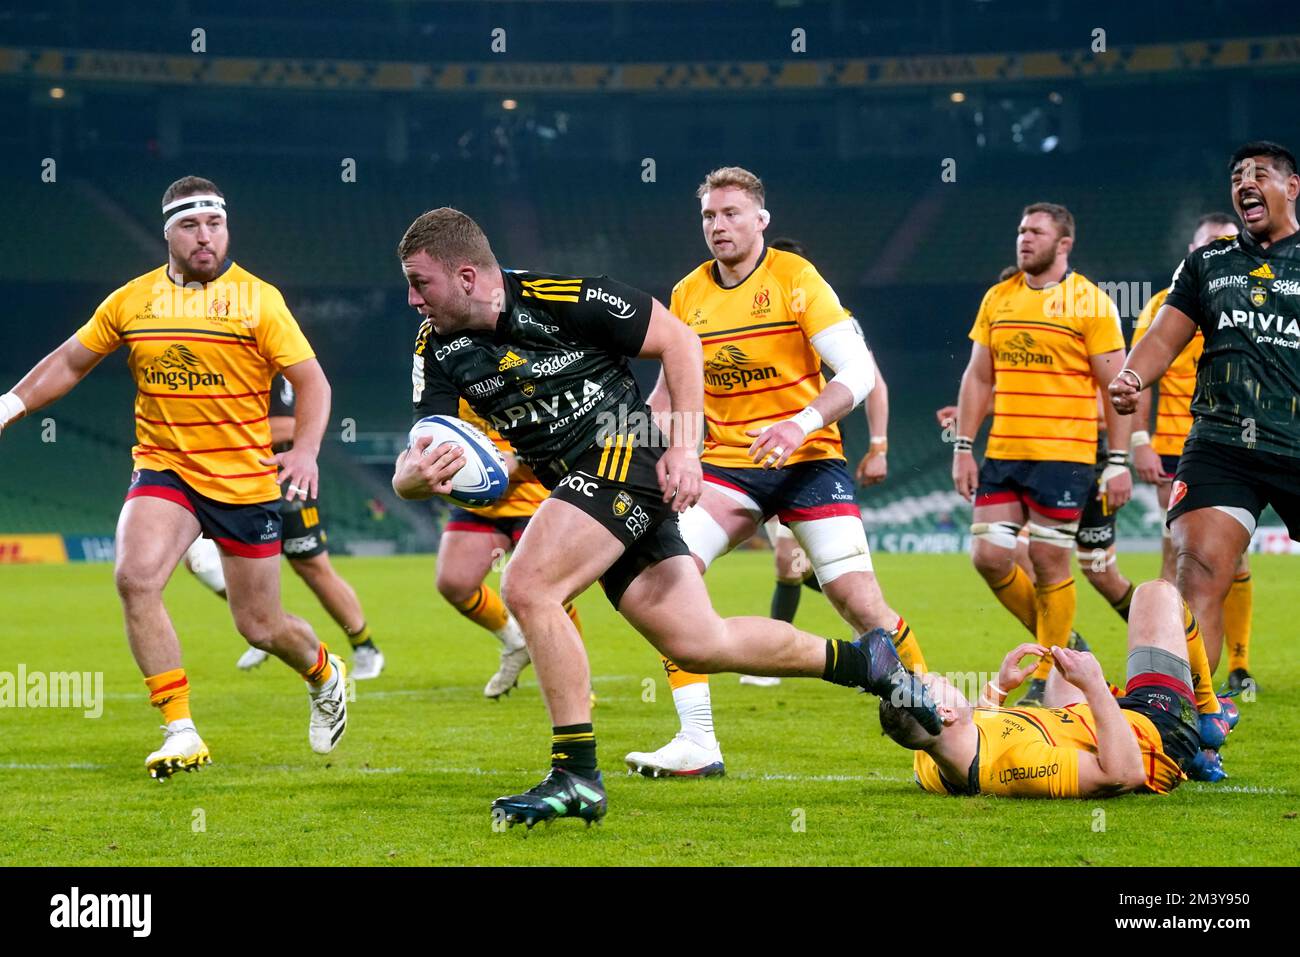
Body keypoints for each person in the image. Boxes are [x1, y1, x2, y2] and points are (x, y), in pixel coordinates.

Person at [391, 206, 939, 827]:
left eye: (420, 282)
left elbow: (679, 340)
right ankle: (869, 662)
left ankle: (576, 775)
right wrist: (408, 481)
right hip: (578, 482)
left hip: (624, 454)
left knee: (528, 584)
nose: (412, 299)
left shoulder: (563, 296)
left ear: (466, 277)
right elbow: (425, 448)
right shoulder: (435, 347)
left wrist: (683, 446)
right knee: (699, 642)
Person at [0, 176, 348, 778]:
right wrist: (11, 405)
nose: (205, 236)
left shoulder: (259, 301)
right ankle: (180, 729)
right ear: (169, 233)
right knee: (135, 579)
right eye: (190, 226)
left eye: (215, 223)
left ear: (227, 228)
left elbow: (314, 382)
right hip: (165, 468)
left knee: (260, 626)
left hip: (244, 481)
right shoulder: (132, 300)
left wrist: (308, 450)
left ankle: (322, 671)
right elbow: (70, 360)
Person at [624, 169, 928, 778]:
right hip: (732, 466)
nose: (718, 226)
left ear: (761, 219)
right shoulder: (687, 294)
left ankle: (933, 706)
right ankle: (698, 743)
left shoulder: (796, 278)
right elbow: (665, 395)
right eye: (709, 216)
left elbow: (858, 373)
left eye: (732, 214)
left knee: (857, 600)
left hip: (810, 461)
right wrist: (625, 448)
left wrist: (802, 423)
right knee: (666, 581)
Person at [1114, 140, 1300, 697]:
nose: (1245, 182)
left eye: (1260, 173)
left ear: (1291, 187)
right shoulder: (1208, 263)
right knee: (1195, 577)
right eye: (1238, 175)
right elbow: (1163, 337)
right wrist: (1131, 376)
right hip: (1222, 445)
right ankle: (1189, 719)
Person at [952, 203, 1132, 707]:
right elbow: (979, 377)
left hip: (1065, 455)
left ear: (1064, 243)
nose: (1024, 239)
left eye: (1036, 231)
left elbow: (1117, 387)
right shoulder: (998, 298)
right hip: (1005, 451)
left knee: (1052, 563)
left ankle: (1047, 674)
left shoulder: (1091, 303)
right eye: (1020, 230)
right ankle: (1066, 647)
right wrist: (964, 447)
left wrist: (1117, 459)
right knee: (988, 557)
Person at [881, 580, 1218, 797]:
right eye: (936, 683)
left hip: (1074, 720)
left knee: (1061, 662)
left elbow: (971, 733)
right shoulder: (1021, 765)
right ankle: (1209, 716)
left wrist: (999, 688)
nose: (943, 677)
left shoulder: (927, 756)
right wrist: (1095, 686)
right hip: (1153, 735)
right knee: (1156, 594)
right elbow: (1124, 774)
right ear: (946, 712)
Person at [183, 372, 386, 679]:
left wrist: (224, 434)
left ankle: (365, 647)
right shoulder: (218, 362)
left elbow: (288, 425)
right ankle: (266, 623)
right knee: (199, 559)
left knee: (312, 568)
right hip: (234, 482)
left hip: (284, 482)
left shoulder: (273, 366)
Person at [1131, 213, 1256, 695]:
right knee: (1178, 558)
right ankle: (1172, 668)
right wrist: (1139, 441)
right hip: (1175, 447)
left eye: (1229, 243)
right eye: (1210, 244)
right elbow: (1145, 365)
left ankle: (1239, 667)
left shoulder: (1253, 304)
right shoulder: (1167, 305)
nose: (1219, 252)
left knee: (1234, 561)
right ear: (1192, 251)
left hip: (1234, 446)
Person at [758, 237, 891, 682]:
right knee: (802, 566)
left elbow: (870, 379)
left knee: (788, 561)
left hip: (812, 451)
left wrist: (879, 445)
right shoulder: (751, 316)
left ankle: (775, 656)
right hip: (761, 449)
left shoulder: (829, 315)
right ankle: (876, 637)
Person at [433, 398, 585, 698]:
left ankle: (578, 681)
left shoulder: (529, 363)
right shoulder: (449, 368)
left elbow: (568, 428)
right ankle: (515, 642)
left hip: (536, 497)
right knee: (455, 584)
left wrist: (517, 457)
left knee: (549, 594)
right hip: (481, 501)